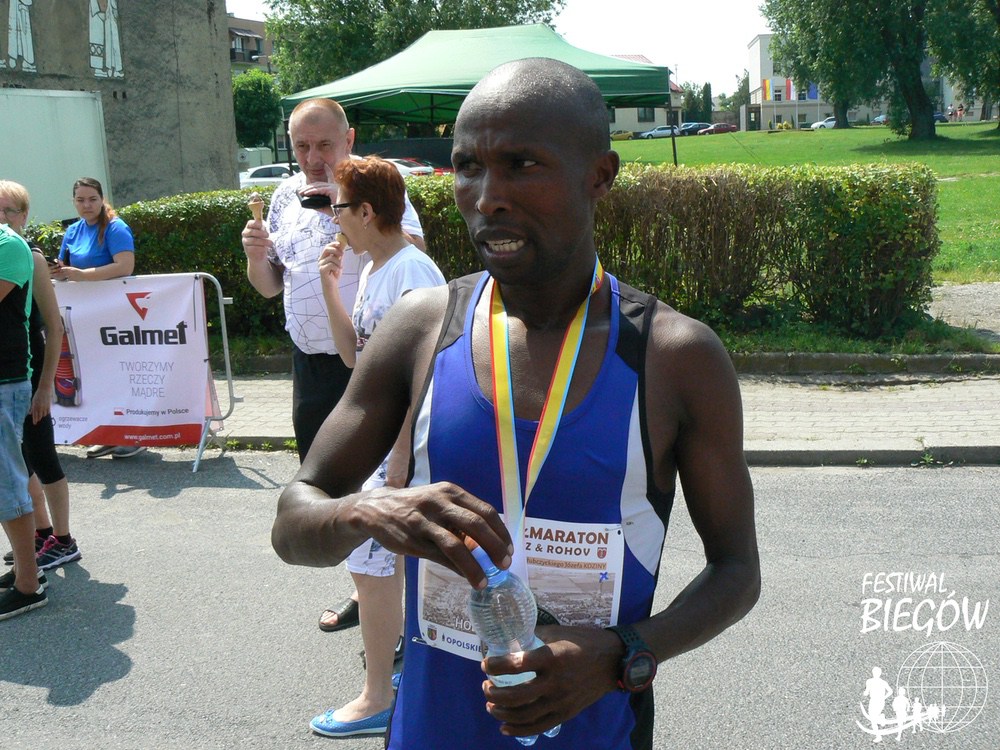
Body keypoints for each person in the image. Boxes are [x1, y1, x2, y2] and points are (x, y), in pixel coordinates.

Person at [272, 58, 760, 749]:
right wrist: (368, 510)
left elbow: (736, 571)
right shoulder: (421, 328)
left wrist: (622, 653)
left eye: (522, 164)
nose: (488, 197)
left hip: (595, 734)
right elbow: (294, 520)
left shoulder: (676, 356)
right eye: (467, 167)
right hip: (431, 732)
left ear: (600, 175)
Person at [240, 97, 425, 633]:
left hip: (369, 365)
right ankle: (364, 590)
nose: (313, 157)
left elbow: (411, 250)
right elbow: (269, 285)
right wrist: (255, 256)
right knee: (330, 486)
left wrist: (339, 212)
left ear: (348, 139)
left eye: (324, 144)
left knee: (383, 486)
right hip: (312, 363)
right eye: (302, 146)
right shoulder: (283, 194)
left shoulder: (370, 186)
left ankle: (394, 605)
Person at [298, 156, 445, 737]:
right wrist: (329, 287)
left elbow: (424, 375)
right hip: (382, 444)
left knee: (372, 565)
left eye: (338, 207)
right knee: (381, 566)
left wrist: (401, 455)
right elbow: (353, 356)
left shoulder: (415, 272)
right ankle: (401, 684)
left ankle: (378, 695)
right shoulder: (374, 269)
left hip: (402, 444)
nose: (332, 219)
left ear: (365, 211)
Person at [0, 181, 80, 574]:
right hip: (13, 373)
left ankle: (64, 540)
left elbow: (54, 325)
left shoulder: (28, 255)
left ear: (24, 215)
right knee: (20, 461)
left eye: (8, 211)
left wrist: (46, 385)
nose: (1, 217)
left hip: (29, 371)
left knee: (42, 455)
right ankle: (41, 532)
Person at [53, 176, 142, 459]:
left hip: (115, 313)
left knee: (119, 374)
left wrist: (83, 275)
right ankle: (108, 435)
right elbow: (65, 268)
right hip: (83, 316)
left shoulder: (116, 227)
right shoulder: (73, 230)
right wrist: (57, 271)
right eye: (80, 200)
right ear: (73, 202)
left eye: (92, 199)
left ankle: (133, 435)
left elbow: (125, 266)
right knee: (95, 377)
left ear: (102, 199)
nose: (87, 205)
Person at [0, 220, 46, 620]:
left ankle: (28, 586)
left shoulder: (9, 245)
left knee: (8, 484)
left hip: (5, 380)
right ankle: (24, 570)